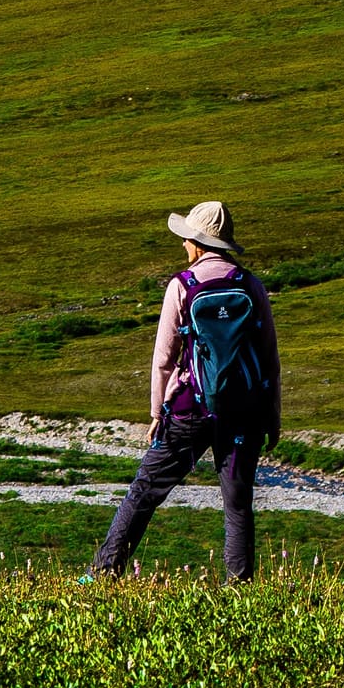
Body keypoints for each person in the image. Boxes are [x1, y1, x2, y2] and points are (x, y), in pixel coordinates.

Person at [90, 200, 281, 582]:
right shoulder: (251, 286)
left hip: (189, 408)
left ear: (197, 243)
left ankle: (104, 571)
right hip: (244, 410)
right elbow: (269, 358)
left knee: (146, 489)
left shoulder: (183, 286)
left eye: (186, 239)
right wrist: (272, 417)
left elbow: (164, 357)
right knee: (238, 502)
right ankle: (239, 585)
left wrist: (157, 413)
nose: (183, 245)